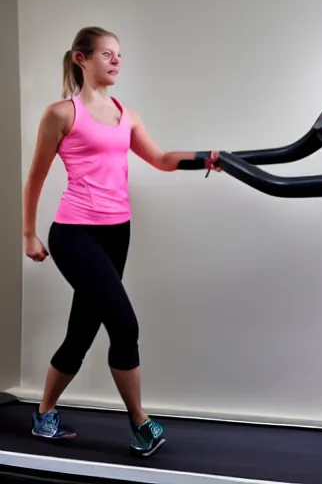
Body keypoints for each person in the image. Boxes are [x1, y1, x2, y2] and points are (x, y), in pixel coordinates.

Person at [22, 26, 221, 457]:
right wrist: (29, 232)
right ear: (81, 58)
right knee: (125, 325)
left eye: (119, 55)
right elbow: (36, 176)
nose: (116, 61)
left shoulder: (125, 113)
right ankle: (140, 425)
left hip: (117, 233)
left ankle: (44, 413)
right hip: (74, 234)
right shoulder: (61, 113)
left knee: (81, 333)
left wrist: (207, 158)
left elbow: (162, 160)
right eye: (107, 54)